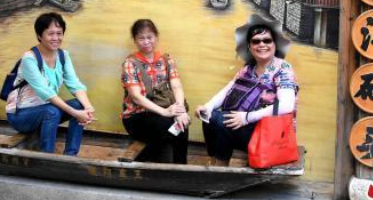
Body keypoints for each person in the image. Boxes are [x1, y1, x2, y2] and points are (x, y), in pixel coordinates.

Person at [195, 14, 298, 166]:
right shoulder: (248, 69)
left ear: (275, 44)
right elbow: (227, 91)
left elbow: (286, 105)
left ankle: (220, 168)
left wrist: (247, 117)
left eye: (267, 40)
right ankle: (217, 162)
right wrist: (207, 107)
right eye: (256, 41)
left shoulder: (283, 68)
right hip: (245, 127)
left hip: (270, 134)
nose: (262, 44)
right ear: (250, 47)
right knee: (210, 116)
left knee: (218, 119)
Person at [6, 12, 95, 155]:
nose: (56, 38)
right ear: (39, 35)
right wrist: (76, 114)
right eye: (50, 34)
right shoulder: (30, 59)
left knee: (79, 104)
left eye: (59, 33)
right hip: (21, 115)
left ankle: (70, 155)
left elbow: (75, 84)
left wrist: (88, 108)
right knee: (52, 111)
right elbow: (47, 93)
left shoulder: (63, 55)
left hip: (47, 110)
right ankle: (46, 157)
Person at [121, 19, 189, 163]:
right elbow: (136, 97)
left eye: (149, 37)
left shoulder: (166, 60)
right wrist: (164, 112)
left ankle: (181, 167)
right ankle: (146, 160)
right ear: (135, 40)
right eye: (141, 38)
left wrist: (180, 110)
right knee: (168, 126)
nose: (146, 42)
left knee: (182, 123)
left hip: (164, 111)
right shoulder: (130, 63)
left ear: (156, 37)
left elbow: (177, 86)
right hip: (137, 116)